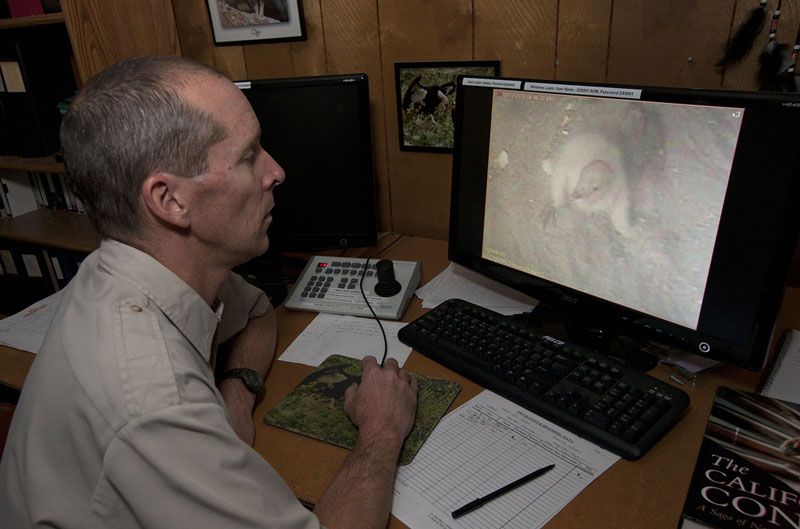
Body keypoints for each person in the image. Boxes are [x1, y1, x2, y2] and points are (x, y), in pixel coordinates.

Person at [0, 56, 418, 529]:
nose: (276, 171)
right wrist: (381, 432)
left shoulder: (129, 268)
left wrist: (236, 394)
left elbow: (258, 312)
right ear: (171, 201)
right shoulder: (155, 403)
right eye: (248, 155)